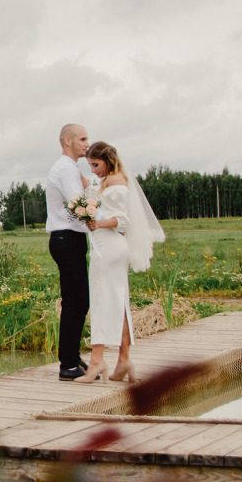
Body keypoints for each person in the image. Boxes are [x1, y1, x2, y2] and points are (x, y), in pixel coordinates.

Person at [74, 140, 167, 383]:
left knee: (102, 299)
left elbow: (122, 221)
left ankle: (96, 361)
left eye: (96, 164)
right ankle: (124, 359)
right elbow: (94, 194)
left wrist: (97, 223)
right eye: (90, 165)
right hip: (111, 247)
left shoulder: (115, 183)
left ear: (108, 160)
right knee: (119, 301)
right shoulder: (108, 181)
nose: (93, 169)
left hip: (109, 246)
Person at [45, 123, 91, 379]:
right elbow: (79, 205)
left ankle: (72, 358)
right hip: (66, 238)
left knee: (77, 300)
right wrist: (106, 222)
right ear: (67, 141)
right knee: (77, 300)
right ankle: (68, 364)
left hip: (70, 238)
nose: (87, 143)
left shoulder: (70, 168)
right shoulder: (65, 169)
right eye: (82, 139)